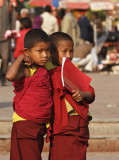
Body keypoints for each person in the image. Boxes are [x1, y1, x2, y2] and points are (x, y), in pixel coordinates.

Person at [6, 29, 53, 160]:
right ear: (27, 52)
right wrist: (20, 57)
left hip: (39, 125)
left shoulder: (43, 69)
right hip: (25, 124)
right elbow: (9, 76)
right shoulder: (28, 70)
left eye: (47, 50)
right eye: (40, 51)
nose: (45, 55)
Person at [48, 32, 95, 160]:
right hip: (62, 125)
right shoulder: (48, 74)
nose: (69, 56)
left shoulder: (73, 71)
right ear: (52, 53)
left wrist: (83, 94)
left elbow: (91, 93)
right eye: (64, 52)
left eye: (71, 51)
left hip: (78, 125)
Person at [0, 0, 16, 85]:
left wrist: (13, 33)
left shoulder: (9, 5)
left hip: (5, 37)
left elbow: (13, 20)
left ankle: (3, 76)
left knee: (5, 58)